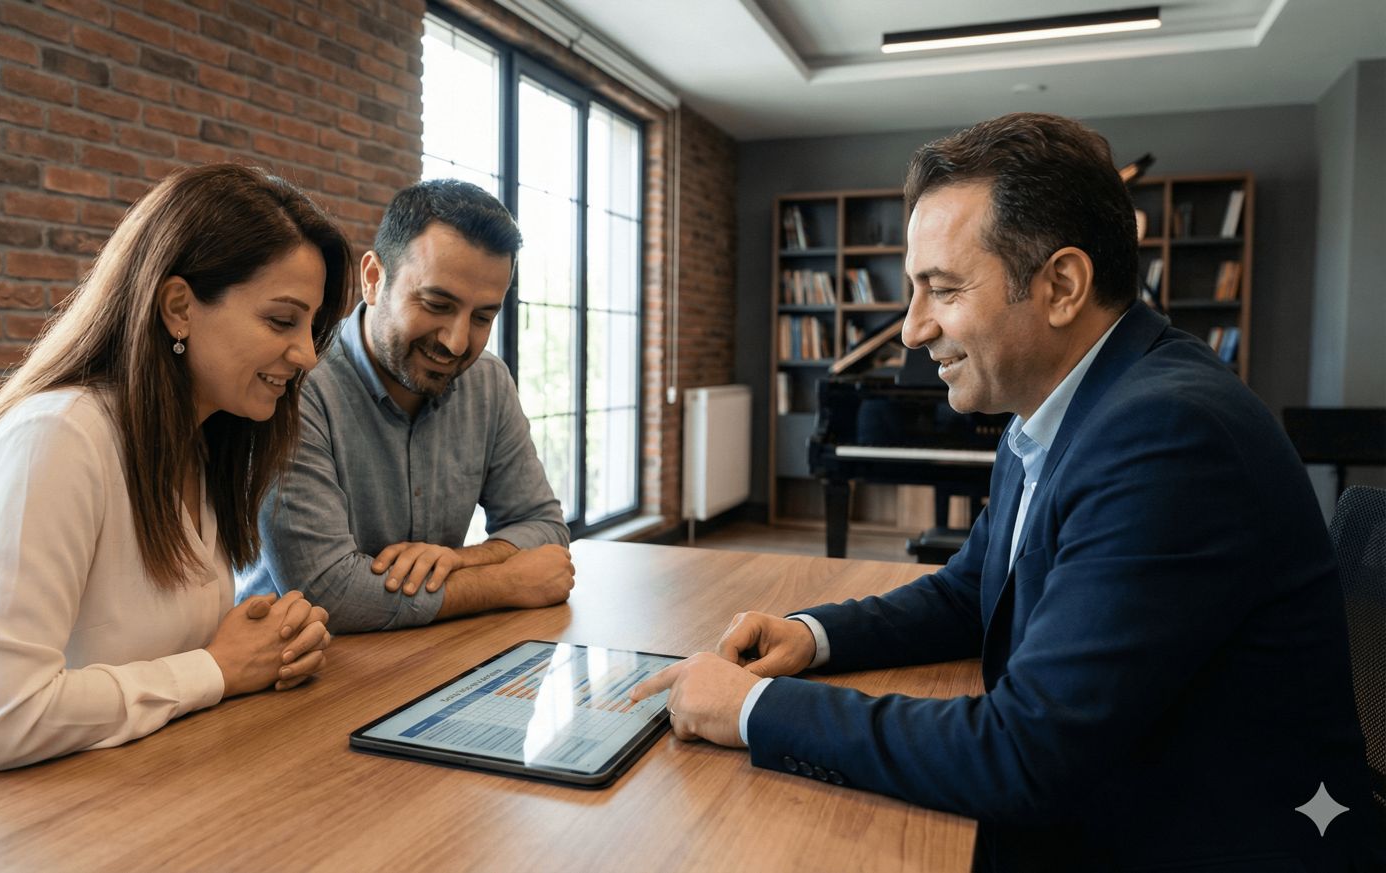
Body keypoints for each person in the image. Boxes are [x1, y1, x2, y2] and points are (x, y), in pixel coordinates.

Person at [630, 114, 1384, 870]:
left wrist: (753, 708)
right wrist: (814, 634)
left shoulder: (1167, 435)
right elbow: (972, 595)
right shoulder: (1061, 405)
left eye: (943, 289)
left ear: (1061, 284)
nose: (911, 331)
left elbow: (1023, 754)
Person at [0, 164, 350, 799]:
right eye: (282, 321)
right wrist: (216, 669)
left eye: (313, 328)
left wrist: (264, 645)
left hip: (99, 777)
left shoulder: (199, 442)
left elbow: (139, 651)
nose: (309, 355)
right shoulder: (56, 439)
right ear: (179, 307)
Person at [241, 179, 572, 633]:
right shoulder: (296, 381)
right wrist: (506, 581)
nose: (457, 342)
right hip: (293, 667)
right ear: (374, 279)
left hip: (425, 653)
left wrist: (461, 560)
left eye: (483, 317)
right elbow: (330, 591)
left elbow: (542, 525)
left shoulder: (488, 382)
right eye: (437, 304)